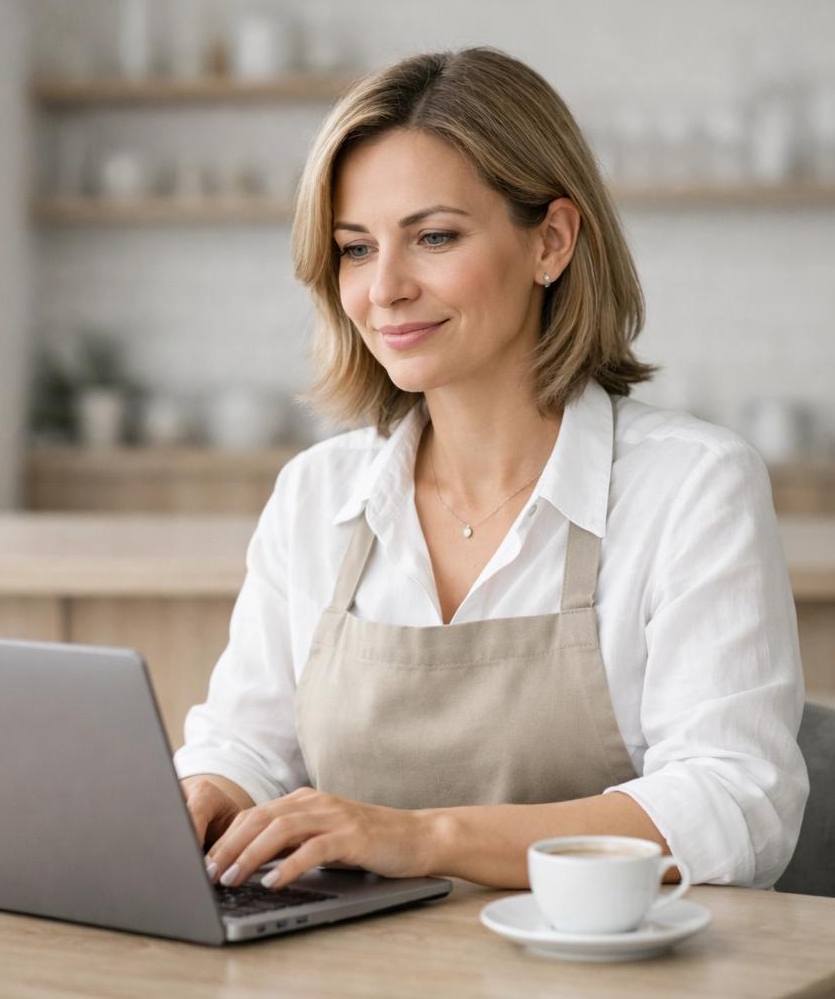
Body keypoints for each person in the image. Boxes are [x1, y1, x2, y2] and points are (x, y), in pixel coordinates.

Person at [174, 47, 808, 893]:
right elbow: (249, 743)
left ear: (551, 241)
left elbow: (736, 803)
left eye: (434, 237)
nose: (385, 288)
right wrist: (208, 792)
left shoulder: (692, 487)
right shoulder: (315, 496)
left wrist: (426, 838)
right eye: (355, 249)